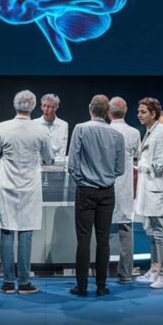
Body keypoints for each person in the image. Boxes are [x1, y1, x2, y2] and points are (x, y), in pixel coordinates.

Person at [0, 90, 55, 295]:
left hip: (6, 186)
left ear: (15, 105)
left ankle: (8, 282)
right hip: (29, 187)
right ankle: (24, 281)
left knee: (7, 232)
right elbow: (49, 158)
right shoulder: (40, 130)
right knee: (25, 233)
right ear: (33, 107)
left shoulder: (3, 127)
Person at [67, 94, 125, 297]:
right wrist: (105, 177)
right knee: (103, 240)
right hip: (107, 192)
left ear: (91, 109)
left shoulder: (81, 129)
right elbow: (120, 169)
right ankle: (101, 286)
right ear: (107, 112)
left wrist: (83, 180)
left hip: (86, 190)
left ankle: (81, 287)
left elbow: (72, 164)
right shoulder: (117, 135)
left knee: (83, 240)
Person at [134, 97, 163, 289]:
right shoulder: (150, 132)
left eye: (143, 112)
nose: (139, 115)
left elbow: (158, 166)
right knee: (151, 230)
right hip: (147, 188)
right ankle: (155, 268)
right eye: (139, 111)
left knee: (159, 231)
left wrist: (141, 165)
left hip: (156, 189)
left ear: (153, 113)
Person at [108, 97, 140, 284]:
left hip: (104, 186)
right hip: (126, 188)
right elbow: (137, 157)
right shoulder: (134, 133)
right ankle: (126, 273)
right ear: (126, 110)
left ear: (109, 112)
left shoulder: (104, 130)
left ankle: (100, 272)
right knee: (126, 229)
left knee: (101, 231)